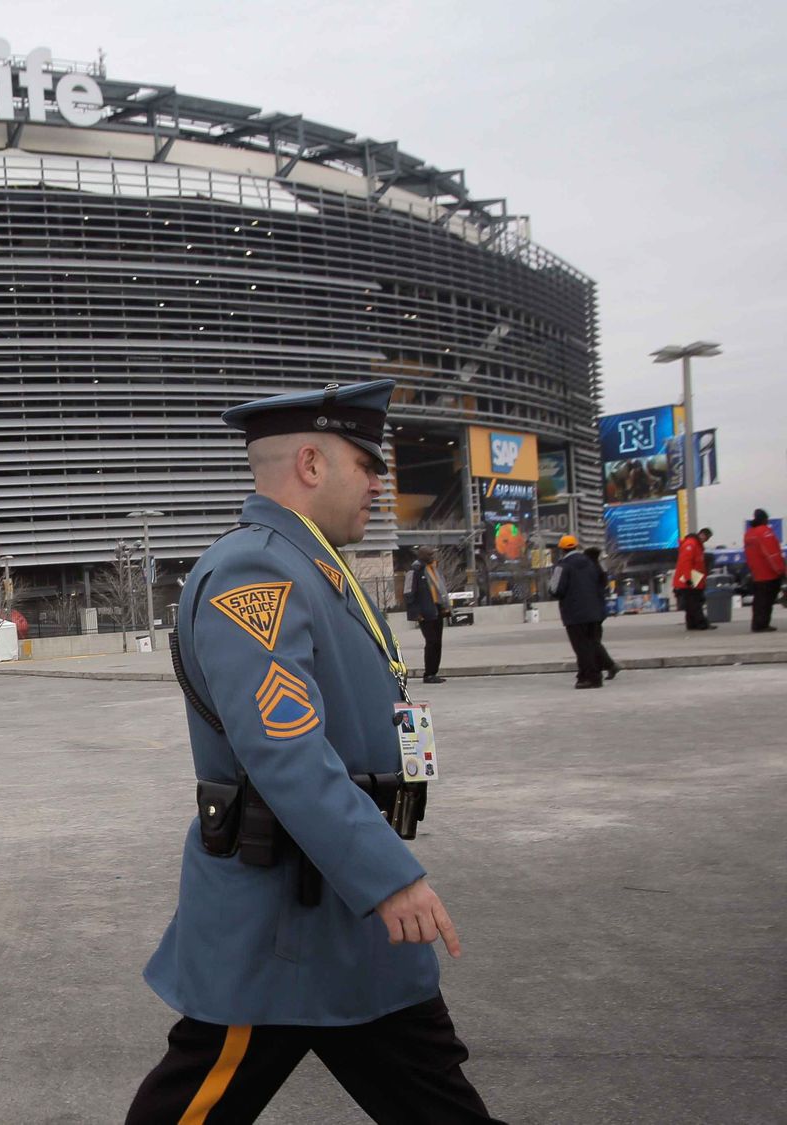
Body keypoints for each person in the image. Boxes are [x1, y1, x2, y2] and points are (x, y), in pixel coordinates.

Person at [129, 379, 499, 1123]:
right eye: (366, 463)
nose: (379, 480)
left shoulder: (316, 566)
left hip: (343, 914)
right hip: (284, 917)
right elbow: (285, 753)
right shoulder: (256, 570)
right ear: (310, 462)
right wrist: (388, 876)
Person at [554, 536, 620, 689]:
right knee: (592, 643)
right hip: (595, 612)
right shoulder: (592, 563)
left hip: (575, 614)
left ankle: (592, 678)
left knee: (582, 647)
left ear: (562, 550)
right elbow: (603, 581)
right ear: (576, 547)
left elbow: (555, 589)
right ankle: (588, 673)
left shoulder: (562, 566)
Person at [402, 546, 451, 684]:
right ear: (422, 555)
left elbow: (441, 588)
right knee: (431, 642)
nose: (433, 556)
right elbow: (408, 593)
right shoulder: (415, 571)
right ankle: (428, 674)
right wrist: (416, 612)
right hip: (425, 611)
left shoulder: (434, 568)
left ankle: (434, 672)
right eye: (430, 554)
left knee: (437, 642)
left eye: (433, 554)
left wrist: (445, 606)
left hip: (437, 609)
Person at [744, 509, 783, 633]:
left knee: (759, 601)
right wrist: (781, 570)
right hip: (769, 574)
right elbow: (772, 554)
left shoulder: (749, 534)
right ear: (764, 519)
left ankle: (757, 623)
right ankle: (762, 624)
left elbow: (748, 555)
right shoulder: (765, 532)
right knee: (766, 601)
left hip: (757, 574)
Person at [674, 527, 714, 630]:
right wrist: (688, 580)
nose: (705, 540)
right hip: (689, 580)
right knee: (695, 603)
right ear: (701, 534)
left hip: (693, 579)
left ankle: (692, 624)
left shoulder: (696, 545)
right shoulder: (691, 544)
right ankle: (701, 624)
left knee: (691, 603)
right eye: (706, 537)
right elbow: (686, 563)